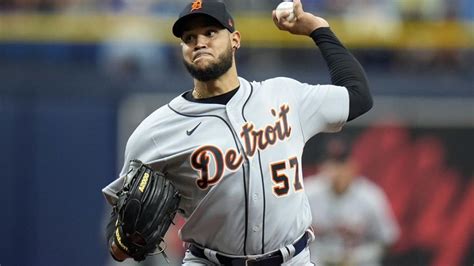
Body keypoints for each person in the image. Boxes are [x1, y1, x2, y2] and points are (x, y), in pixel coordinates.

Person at [102, 0, 373, 265]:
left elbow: (358, 96)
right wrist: (123, 241)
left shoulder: (284, 95)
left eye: (210, 32)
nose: (200, 42)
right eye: (189, 37)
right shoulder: (155, 132)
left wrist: (318, 28)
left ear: (235, 40)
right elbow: (119, 232)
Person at [305, 137, 400, 266]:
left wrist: (360, 256)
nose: (336, 171)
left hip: (359, 261)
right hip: (318, 260)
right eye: (331, 163)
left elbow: (388, 238)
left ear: (353, 165)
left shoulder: (370, 196)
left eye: (341, 164)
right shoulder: (307, 193)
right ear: (322, 166)